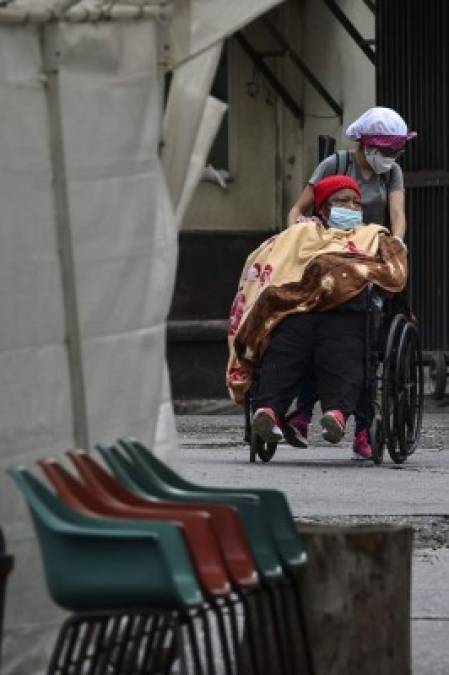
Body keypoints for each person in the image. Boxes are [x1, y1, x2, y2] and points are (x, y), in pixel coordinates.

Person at [226, 175, 408, 457]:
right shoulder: (299, 234)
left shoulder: (372, 235)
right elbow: (271, 265)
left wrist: (342, 271)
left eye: (356, 203)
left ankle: (335, 415)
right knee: (284, 351)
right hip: (297, 309)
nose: (350, 207)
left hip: (347, 313)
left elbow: (393, 269)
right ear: (323, 208)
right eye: (342, 201)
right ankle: (269, 412)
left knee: (342, 353)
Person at [286, 107, 417, 457]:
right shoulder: (334, 165)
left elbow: (398, 216)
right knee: (313, 329)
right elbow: (298, 209)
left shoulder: (391, 174)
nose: (391, 158)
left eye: (395, 152)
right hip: (326, 258)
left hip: (367, 261)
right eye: (386, 151)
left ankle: (363, 428)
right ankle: (302, 410)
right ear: (366, 144)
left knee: (365, 343)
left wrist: (394, 244)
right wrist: (298, 237)